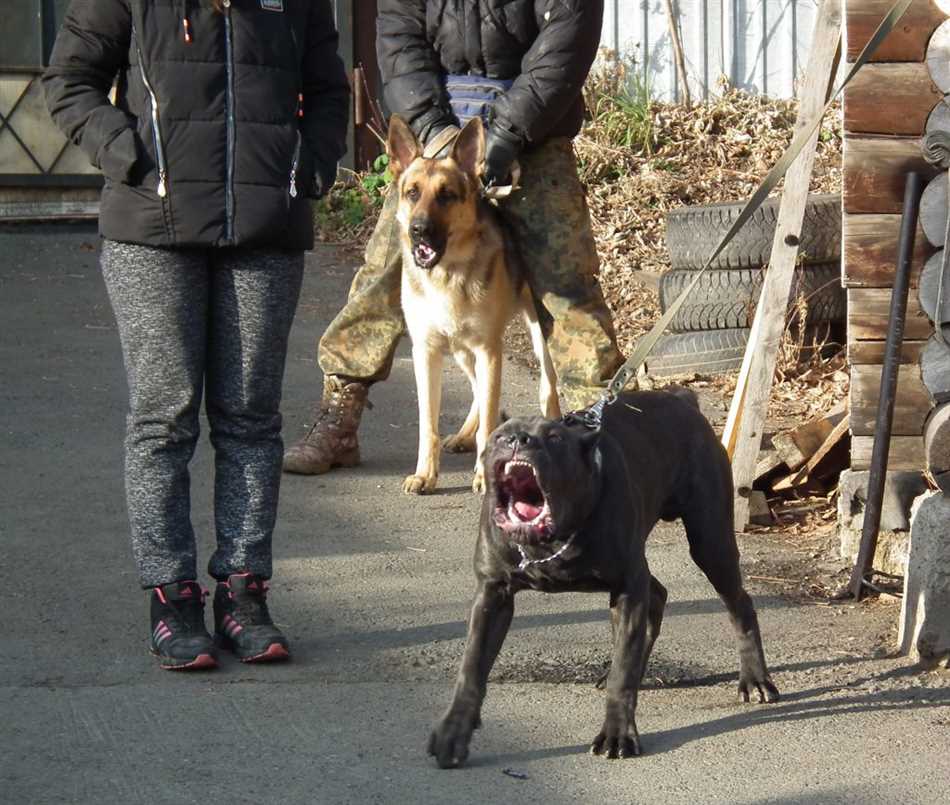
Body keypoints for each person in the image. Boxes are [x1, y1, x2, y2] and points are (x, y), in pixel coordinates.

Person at [43, 0, 349, 670]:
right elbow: (68, 82)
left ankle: (244, 592)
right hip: (153, 231)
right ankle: (171, 594)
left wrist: (310, 167)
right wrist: (133, 158)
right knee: (164, 416)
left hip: (266, 228)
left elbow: (329, 89)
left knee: (250, 417)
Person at [283, 0, 625, 477]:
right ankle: (340, 414)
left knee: (567, 284)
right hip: (440, 140)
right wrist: (433, 127)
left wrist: (506, 132)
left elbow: (566, 40)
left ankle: (598, 433)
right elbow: (399, 40)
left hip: (535, 132)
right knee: (383, 270)